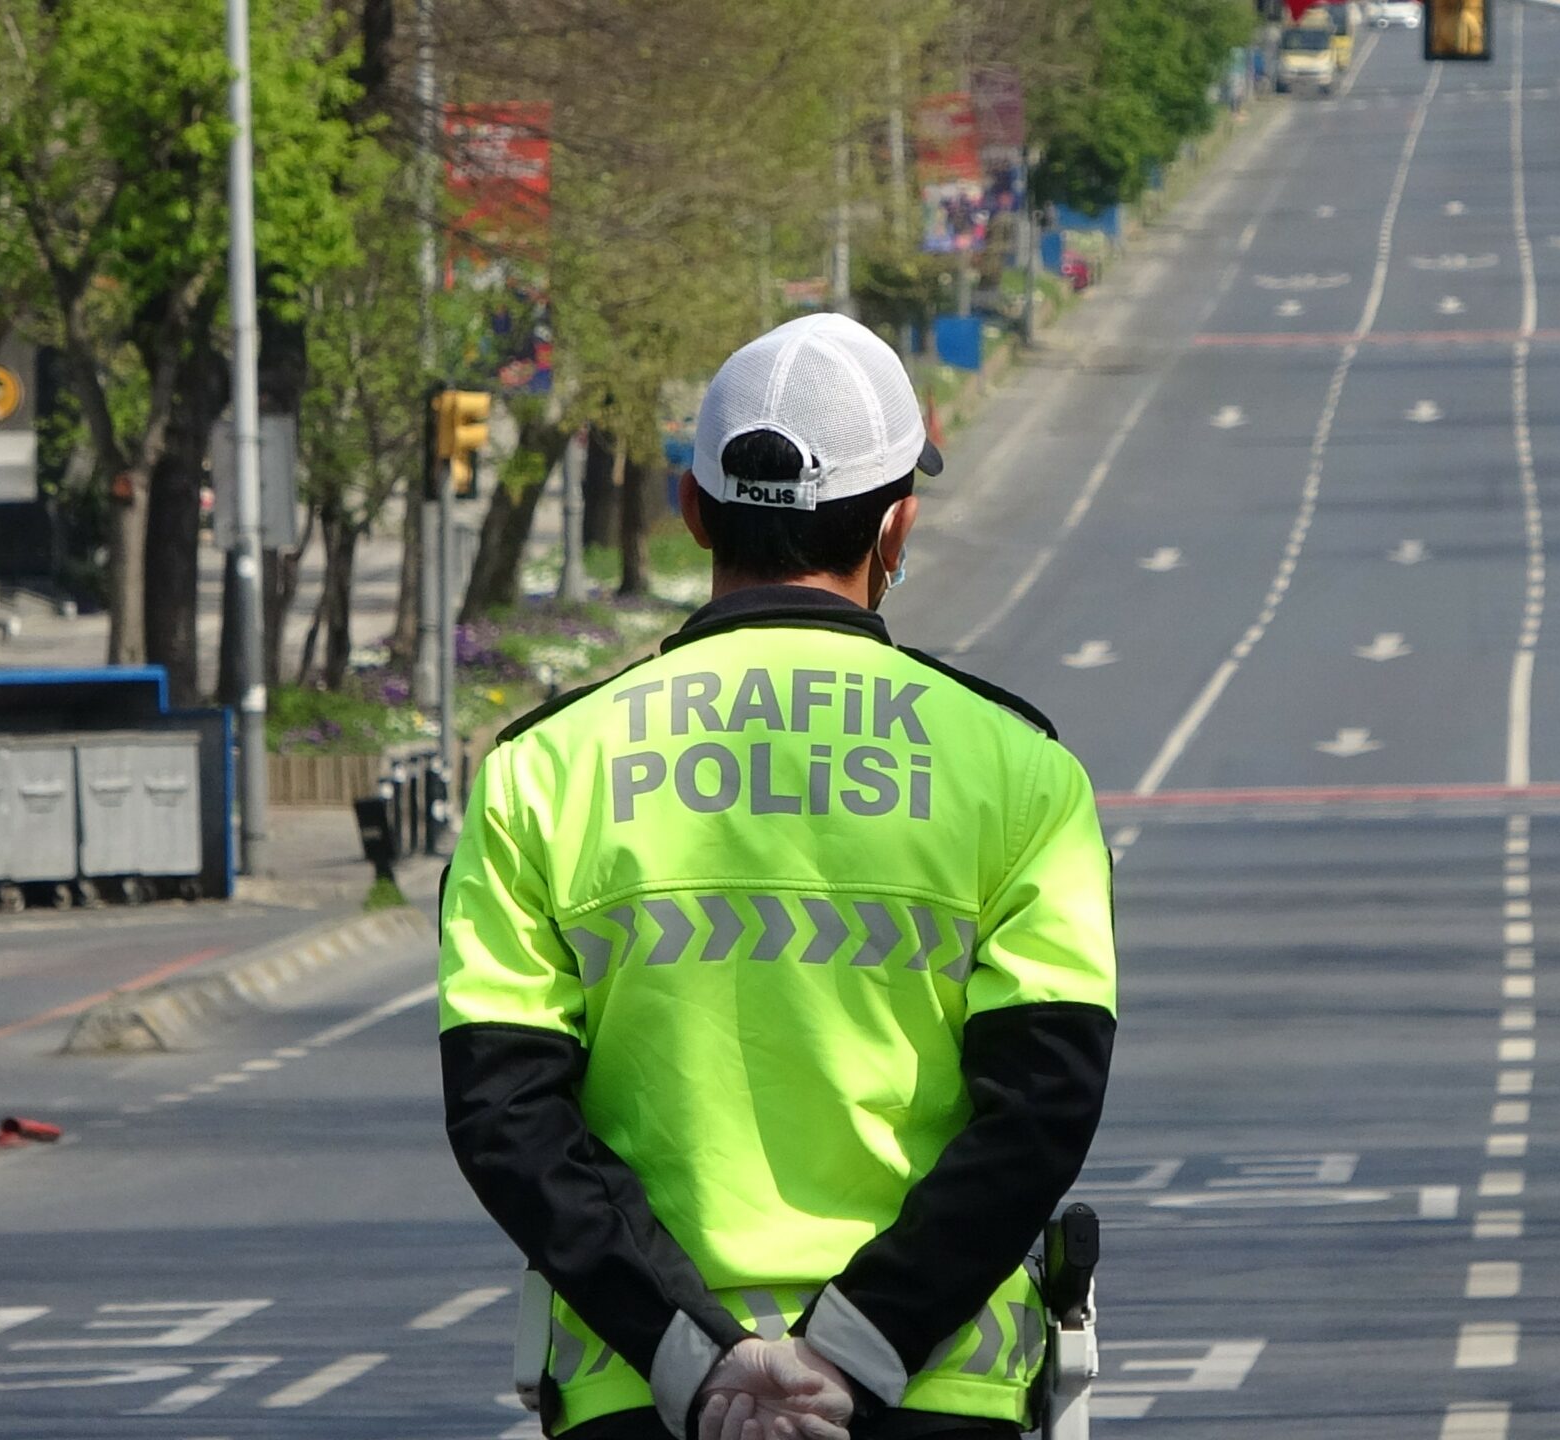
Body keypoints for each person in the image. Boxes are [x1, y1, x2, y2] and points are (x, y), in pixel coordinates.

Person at [441, 311, 1120, 1440]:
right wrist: (858, 1347)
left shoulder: (541, 771)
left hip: (643, 1396)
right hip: (933, 1388)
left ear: (694, 509)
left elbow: (505, 1113)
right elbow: (1043, 1106)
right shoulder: (1021, 772)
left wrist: (689, 1357)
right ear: (897, 527)